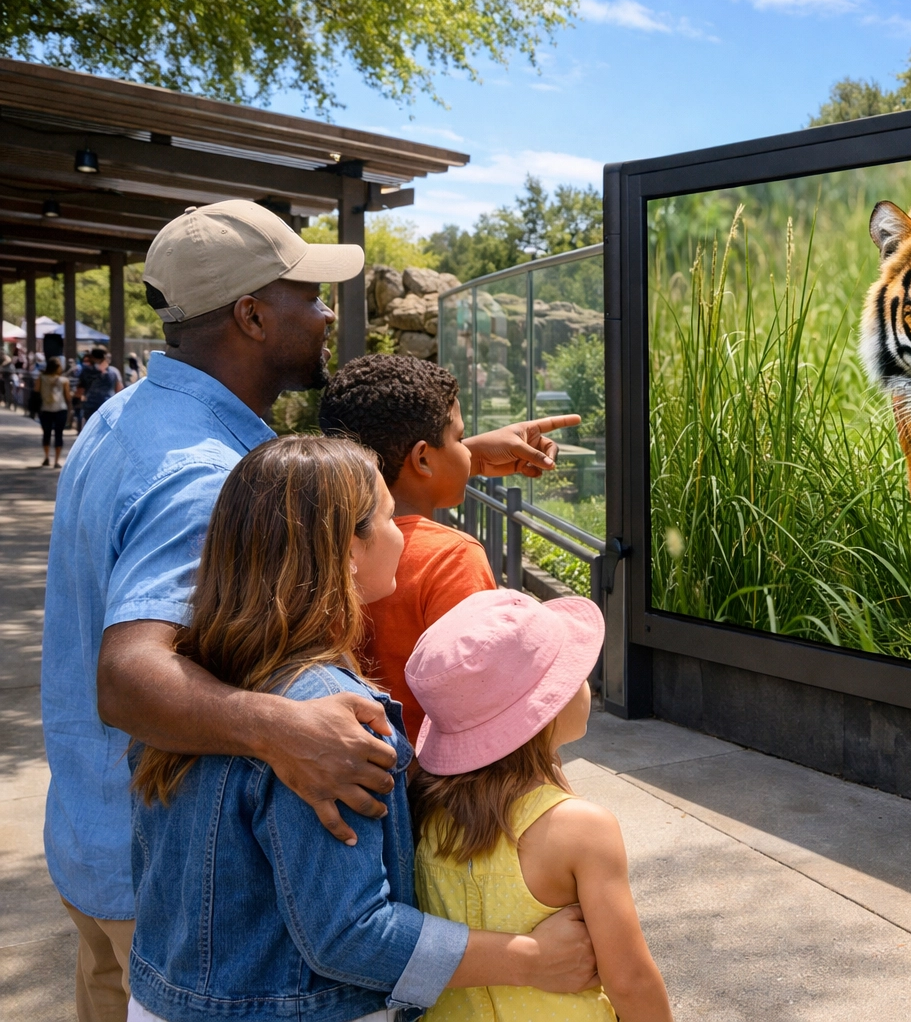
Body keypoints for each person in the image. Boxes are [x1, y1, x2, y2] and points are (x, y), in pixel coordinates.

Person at [43, 199, 593, 1022]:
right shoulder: (203, 477)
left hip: (101, 854)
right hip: (188, 907)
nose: (329, 310)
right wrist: (284, 731)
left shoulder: (132, 419)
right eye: (308, 294)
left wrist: (456, 458)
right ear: (253, 315)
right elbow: (129, 677)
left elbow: (310, 507)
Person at [129, 435, 591, 1022]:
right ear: (348, 546)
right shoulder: (332, 716)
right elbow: (349, 934)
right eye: (389, 517)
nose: (401, 533)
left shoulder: (185, 684)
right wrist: (528, 958)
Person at [409, 589, 674, 1022]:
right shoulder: (581, 829)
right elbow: (630, 982)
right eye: (573, 675)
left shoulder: (424, 809)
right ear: (545, 710)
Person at [318, 354, 578, 743]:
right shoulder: (451, 556)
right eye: (459, 438)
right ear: (423, 457)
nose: (469, 451)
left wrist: (456, 456)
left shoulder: (318, 543)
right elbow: (486, 691)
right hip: (442, 780)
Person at [35, 355, 70, 467]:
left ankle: (46, 457)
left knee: (46, 433)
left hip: (45, 408)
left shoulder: (41, 378)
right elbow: (67, 397)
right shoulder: (64, 380)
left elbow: (36, 391)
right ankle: (56, 461)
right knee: (59, 434)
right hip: (61, 408)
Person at [79, 347, 123, 426]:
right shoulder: (114, 371)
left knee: (91, 429)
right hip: (108, 405)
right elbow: (119, 389)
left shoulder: (86, 371)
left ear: (92, 357)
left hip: (90, 406)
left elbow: (80, 389)